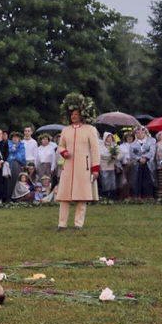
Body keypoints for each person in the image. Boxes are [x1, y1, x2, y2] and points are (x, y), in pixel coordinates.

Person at [56, 93, 100, 230]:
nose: (73, 116)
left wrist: (95, 168)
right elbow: (60, 145)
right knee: (64, 196)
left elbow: (95, 150)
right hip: (68, 167)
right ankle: (62, 224)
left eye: (76, 114)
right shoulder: (65, 130)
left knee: (82, 197)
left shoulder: (90, 129)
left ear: (82, 114)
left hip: (83, 167)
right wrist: (63, 152)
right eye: (72, 114)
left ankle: (78, 224)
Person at [128, 126, 156, 199]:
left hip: (148, 163)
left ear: (145, 132)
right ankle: (138, 197)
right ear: (135, 134)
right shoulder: (132, 144)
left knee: (148, 180)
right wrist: (139, 159)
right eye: (137, 132)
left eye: (141, 132)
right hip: (137, 164)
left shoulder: (152, 141)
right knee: (137, 180)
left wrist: (145, 158)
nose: (140, 133)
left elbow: (152, 151)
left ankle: (149, 196)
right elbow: (132, 154)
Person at [98, 132, 120, 199]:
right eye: (108, 137)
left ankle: (112, 196)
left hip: (112, 166)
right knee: (105, 181)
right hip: (104, 166)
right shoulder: (101, 145)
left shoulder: (114, 145)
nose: (109, 138)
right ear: (105, 138)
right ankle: (105, 196)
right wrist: (110, 155)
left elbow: (120, 154)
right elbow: (101, 154)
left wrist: (115, 156)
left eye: (111, 137)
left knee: (112, 181)